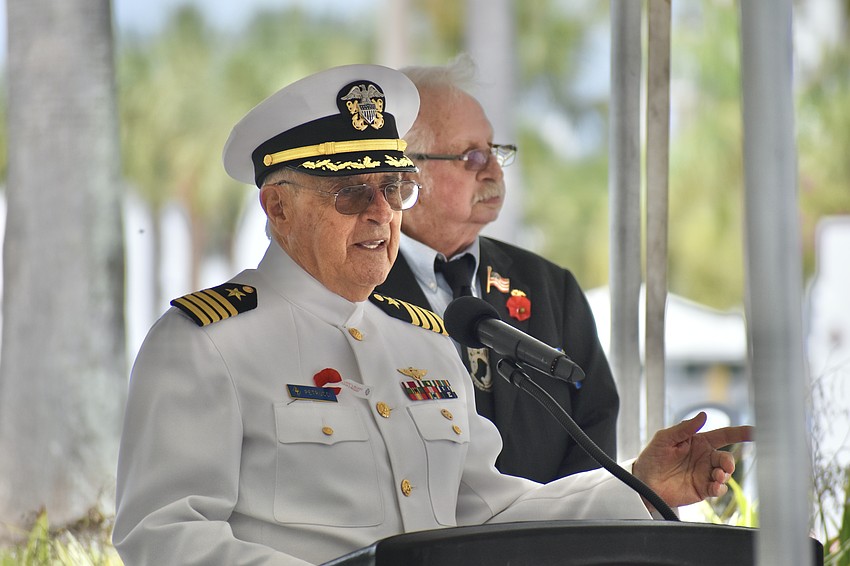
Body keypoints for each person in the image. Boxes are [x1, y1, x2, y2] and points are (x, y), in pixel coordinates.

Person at [113, 63, 752, 566]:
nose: (379, 212)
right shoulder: (206, 343)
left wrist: (642, 487)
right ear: (277, 206)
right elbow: (164, 536)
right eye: (350, 191)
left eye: (393, 189)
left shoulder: (420, 342)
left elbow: (492, 513)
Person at [376, 56, 619, 482]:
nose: (493, 171)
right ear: (407, 173)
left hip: (545, 541)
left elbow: (595, 423)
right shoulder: (358, 284)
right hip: (417, 542)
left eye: (494, 151)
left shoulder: (548, 287)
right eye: (471, 156)